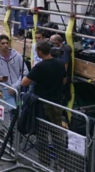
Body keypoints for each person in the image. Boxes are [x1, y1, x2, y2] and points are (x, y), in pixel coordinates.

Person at [20, 40, 66, 168]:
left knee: (42, 135)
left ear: (40, 52)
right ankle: (61, 164)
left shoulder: (40, 67)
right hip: (57, 103)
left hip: (42, 104)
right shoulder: (60, 63)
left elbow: (24, 83)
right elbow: (64, 80)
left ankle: (44, 164)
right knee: (57, 135)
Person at [0, 34, 28, 107]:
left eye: (7, 43)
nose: (6, 45)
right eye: (3, 43)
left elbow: (25, 72)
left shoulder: (17, 56)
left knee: (20, 108)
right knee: (12, 109)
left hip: (19, 88)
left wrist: (16, 86)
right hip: (6, 90)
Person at [49, 34, 73, 104]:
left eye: (52, 42)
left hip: (62, 79)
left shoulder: (64, 51)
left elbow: (64, 67)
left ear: (56, 42)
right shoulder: (57, 50)